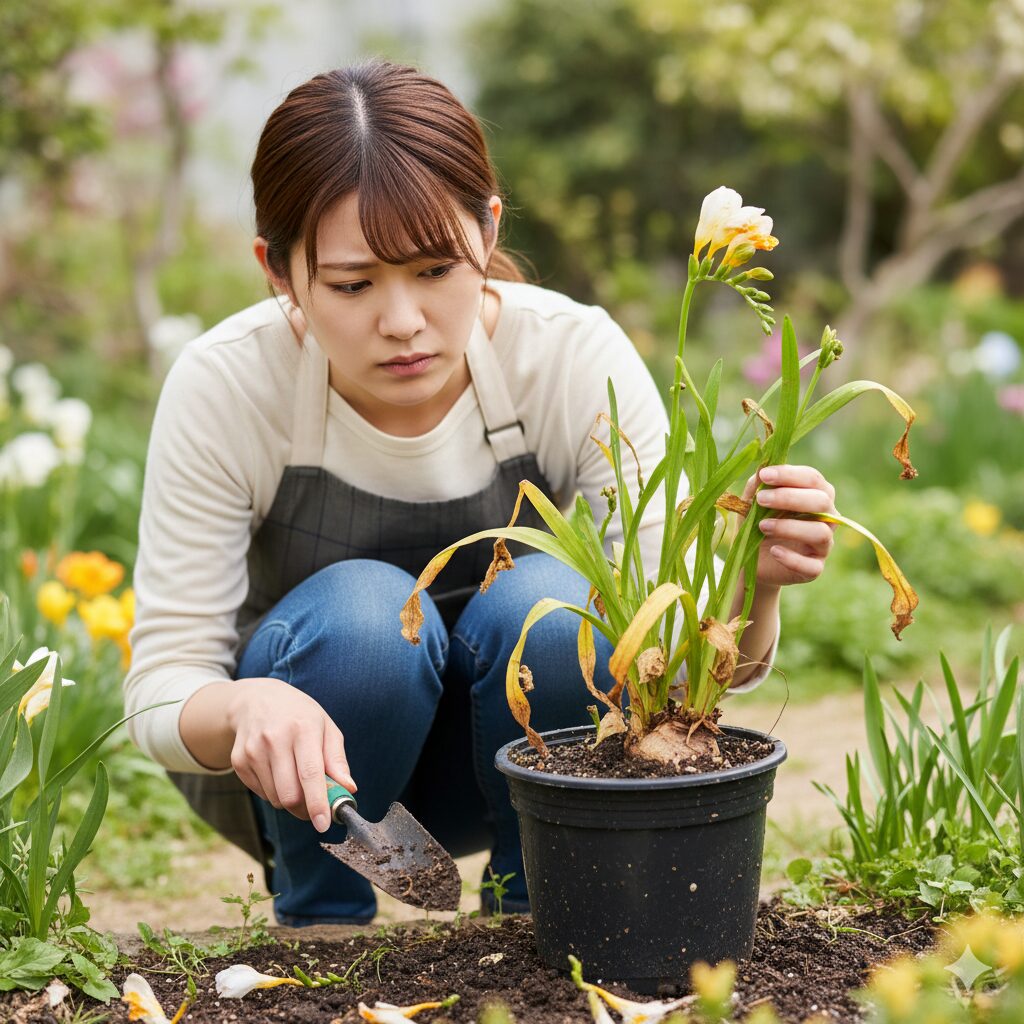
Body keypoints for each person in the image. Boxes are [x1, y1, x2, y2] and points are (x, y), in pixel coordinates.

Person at [123, 60, 839, 926]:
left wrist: (755, 585)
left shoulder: (569, 358)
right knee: (370, 619)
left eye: (435, 271)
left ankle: (534, 912)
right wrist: (244, 705)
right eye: (352, 285)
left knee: (550, 597)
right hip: (304, 783)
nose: (402, 322)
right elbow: (162, 684)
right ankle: (320, 926)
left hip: (523, 758)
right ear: (279, 272)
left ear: (487, 226)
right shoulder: (229, 384)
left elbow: (670, 662)